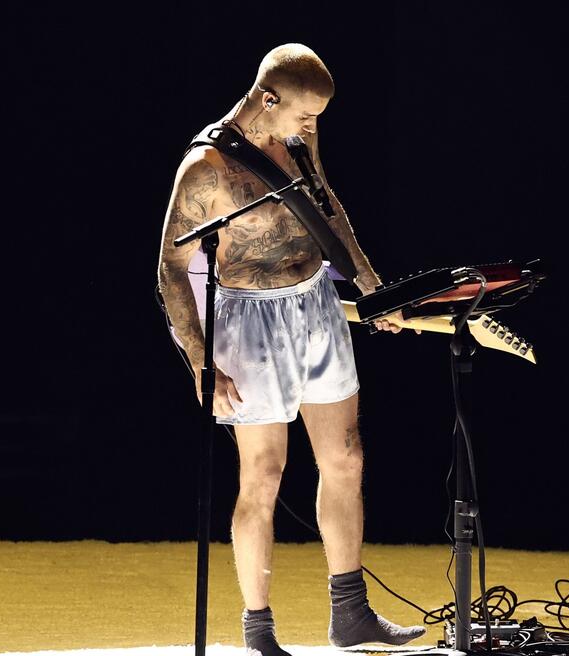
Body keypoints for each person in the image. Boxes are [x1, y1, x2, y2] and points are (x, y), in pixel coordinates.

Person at [156, 43, 425, 655]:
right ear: (268, 98)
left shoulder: (300, 136)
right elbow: (170, 269)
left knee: (346, 458)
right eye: (304, 114)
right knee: (264, 473)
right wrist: (200, 362)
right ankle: (259, 630)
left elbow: (325, 202)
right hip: (249, 321)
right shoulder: (204, 169)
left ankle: (350, 614)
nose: (311, 127)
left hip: (317, 304)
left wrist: (372, 287)